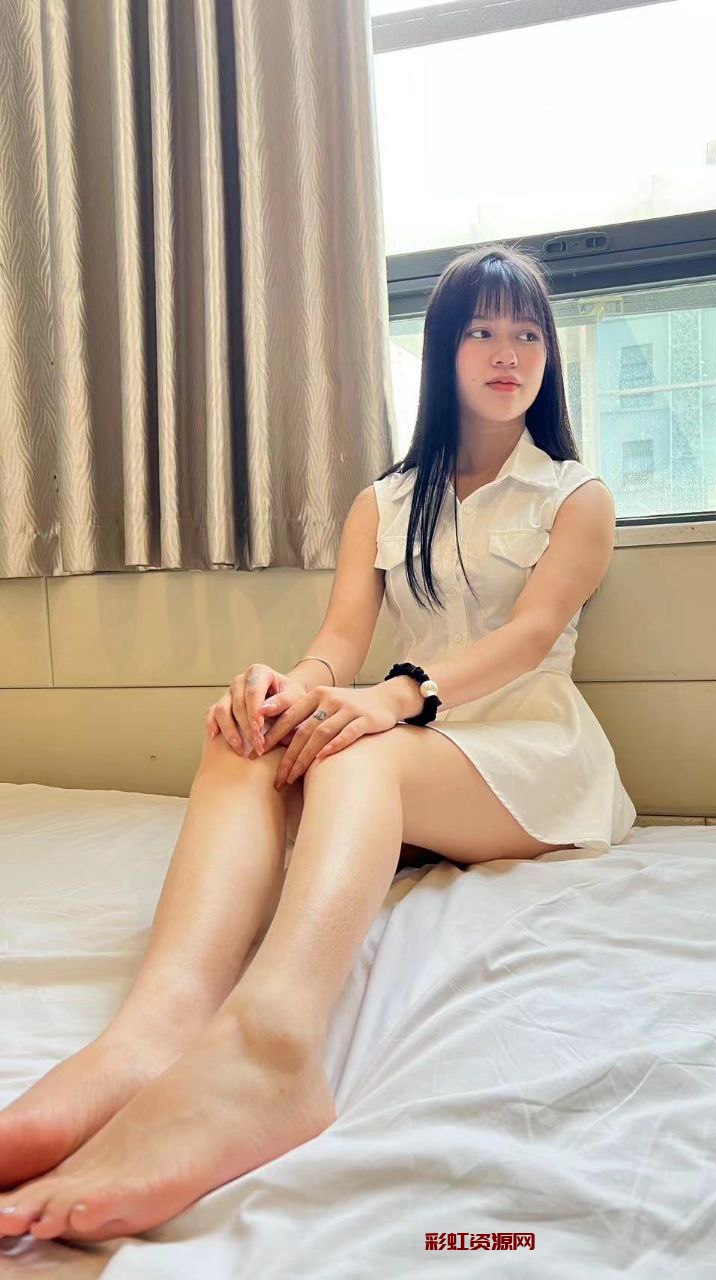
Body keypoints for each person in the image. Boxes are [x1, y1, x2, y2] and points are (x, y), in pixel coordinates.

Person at [0, 244, 635, 1242]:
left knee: (357, 747)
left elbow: (528, 638)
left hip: (529, 755)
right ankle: (154, 1030)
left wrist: (397, 696)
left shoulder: (574, 495)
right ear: (444, 350)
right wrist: (284, 689)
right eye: (482, 331)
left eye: (527, 334)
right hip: (410, 742)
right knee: (246, 738)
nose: (508, 353)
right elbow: (339, 640)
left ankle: (273, 1046)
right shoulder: (385, 501)